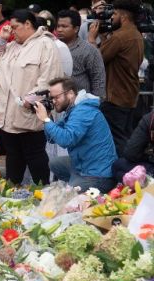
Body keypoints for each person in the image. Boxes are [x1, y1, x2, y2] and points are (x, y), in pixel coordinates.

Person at [0, 9, 63, 185]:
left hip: (30, 113)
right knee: (13, 156)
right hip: (6, 114)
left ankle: (42, 192)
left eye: (15, 27)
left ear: (28, 24)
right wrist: (1, 39)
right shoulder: (11, 45)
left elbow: (49, 79)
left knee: (35, 156)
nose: (12, 31)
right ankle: (11, 192)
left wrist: (30, 101)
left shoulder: (46, 44)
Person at [34, 77, 117, 192]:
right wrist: (47, 118)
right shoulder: (74, 109)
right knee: (55, 163)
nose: (53, 101)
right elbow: (52, 138)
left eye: (56, 97)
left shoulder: (83, 111)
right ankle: (76, 182)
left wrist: (46, 120)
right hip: (85, 164)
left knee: (68, 199)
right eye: (51, 98)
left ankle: (82, 186)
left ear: (70, 94)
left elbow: (66, 139)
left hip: (99, 175)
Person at [91, 0, 144, 155]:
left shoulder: (120, 36)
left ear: (123, 16)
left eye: (114, 14)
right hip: (128, 96)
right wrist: (103, 36)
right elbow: (115, 56)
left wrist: (92, 40)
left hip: (115, 99)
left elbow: (96, 61)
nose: (111, 17)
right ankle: (131, 174)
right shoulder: (135, 34)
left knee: (115, 142)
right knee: (125, 139)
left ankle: (125, 175)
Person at [56, 9, 106, 98]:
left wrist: (94, 104)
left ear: (76, 29)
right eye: (58, 26)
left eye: (64, 26)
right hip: (56, 104)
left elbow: (98, 80)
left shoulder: (89, 50)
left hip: (81, 105)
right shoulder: (52, 47)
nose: (59, 30)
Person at [112, 112, 154, 181]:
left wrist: (149, 157)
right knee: (119, 167)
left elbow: (131, 153)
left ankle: (144, 181)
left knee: (118, 166)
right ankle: (144, 180)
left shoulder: (150, 118)